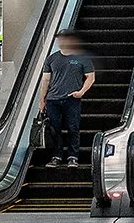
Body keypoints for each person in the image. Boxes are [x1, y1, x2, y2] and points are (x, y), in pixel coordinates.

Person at [35, 30, 95, 168]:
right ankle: (57, 155)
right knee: (54, 129)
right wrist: (42, 100)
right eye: (59, 39)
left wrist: (81, 92)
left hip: (71, 99)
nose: (61, 42)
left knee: (73, 127)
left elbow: (91, 77)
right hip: (53, 100)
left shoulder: (82, 58)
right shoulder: (51, 58)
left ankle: (73, 156)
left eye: (64, 39)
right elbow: (45, 80)